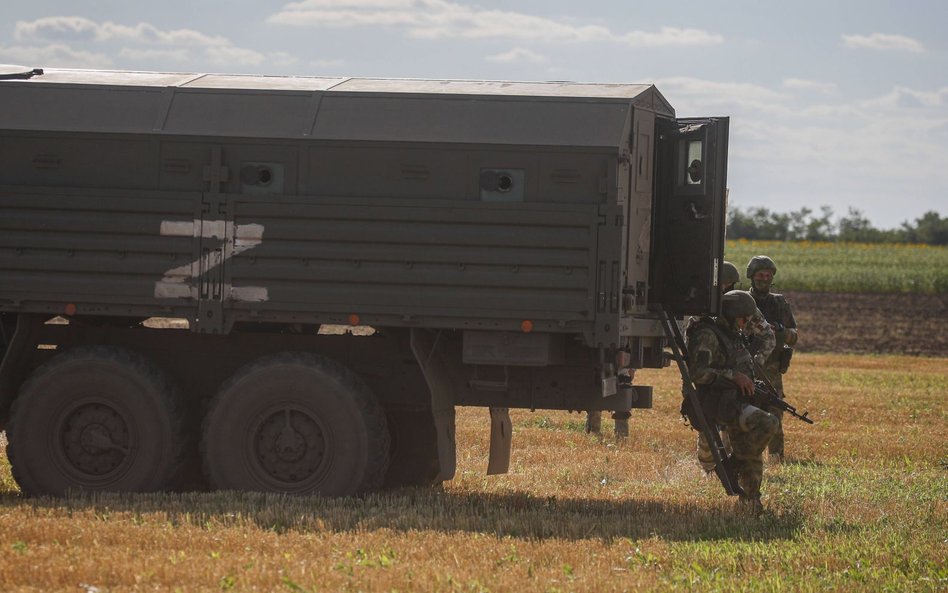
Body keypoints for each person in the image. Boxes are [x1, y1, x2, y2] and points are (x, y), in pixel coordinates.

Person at [686, 290, 779, 512]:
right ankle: (734, 463)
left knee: (752, 449)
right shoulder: (708, 334)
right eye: (743, 318)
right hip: (718, 403)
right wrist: (734, 377)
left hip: (734, 400)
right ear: (730, 314)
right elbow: (698, 373)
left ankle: (750, 502)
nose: (747, 323)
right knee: (767, 423)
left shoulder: (730, 333)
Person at [691, 261, 775, 473]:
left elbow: (768, 337)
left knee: (734, 427)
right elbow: (696, 360)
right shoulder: (700, 312)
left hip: (734, 377)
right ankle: (710, 468)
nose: (724, 291)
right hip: (710, 374)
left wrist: (750, 366)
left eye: (728, 286)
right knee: (706, 425)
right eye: (721, 286)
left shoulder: (742, 307)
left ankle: (733, 464)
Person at [746, 256, 799, 461]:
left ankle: (776, 457)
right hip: (748, 365)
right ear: (752, 276)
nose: (764, 278)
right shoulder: (744, 301)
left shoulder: (779, 302)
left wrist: (781, 331)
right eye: (760, 274)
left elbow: (794, 335)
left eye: (768, 275)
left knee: (775, 411)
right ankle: (745, 455)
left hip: (772, 368)